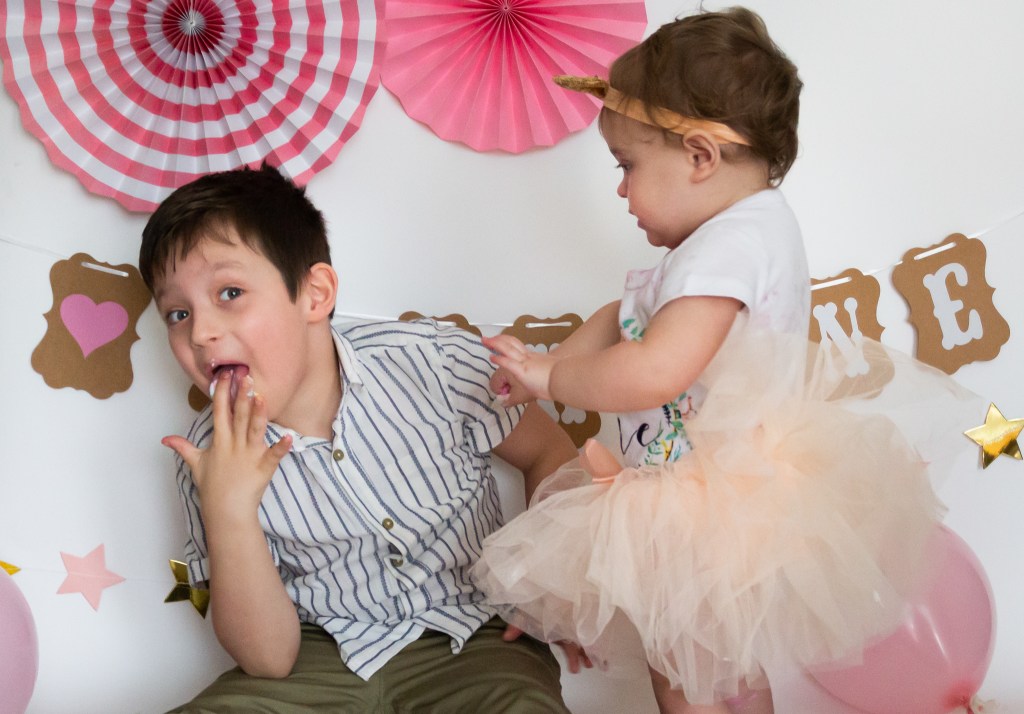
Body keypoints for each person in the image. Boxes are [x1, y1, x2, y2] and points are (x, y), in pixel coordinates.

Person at [471, 8, 966, 714]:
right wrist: (548, 365)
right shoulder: (731, 240)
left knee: (689, 677)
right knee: (722, 675)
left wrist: (551, 378)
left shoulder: (726, 250)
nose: (620, 189)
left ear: (700, 156)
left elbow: (654, 369)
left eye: (629, 165)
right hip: (717, 496)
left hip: (702, 507)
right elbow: (625, 318)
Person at [138, 163, 582, 713]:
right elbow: (269, 660)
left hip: (475, 639)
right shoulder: (205, 457)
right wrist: (229, 509)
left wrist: (547, 584)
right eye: (177, 313)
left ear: (315, 294)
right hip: (320, 658)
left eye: (230, 292)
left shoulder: (434, 362)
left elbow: (548, 451)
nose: (200, 332)